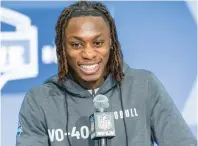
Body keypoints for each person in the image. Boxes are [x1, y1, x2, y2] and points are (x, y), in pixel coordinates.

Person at [16, 1, 197, 146]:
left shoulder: (144, 85)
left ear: (112, 43)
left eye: (98, 43)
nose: (88, 54)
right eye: (76, 44)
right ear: (62, 48)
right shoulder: (39, 100)